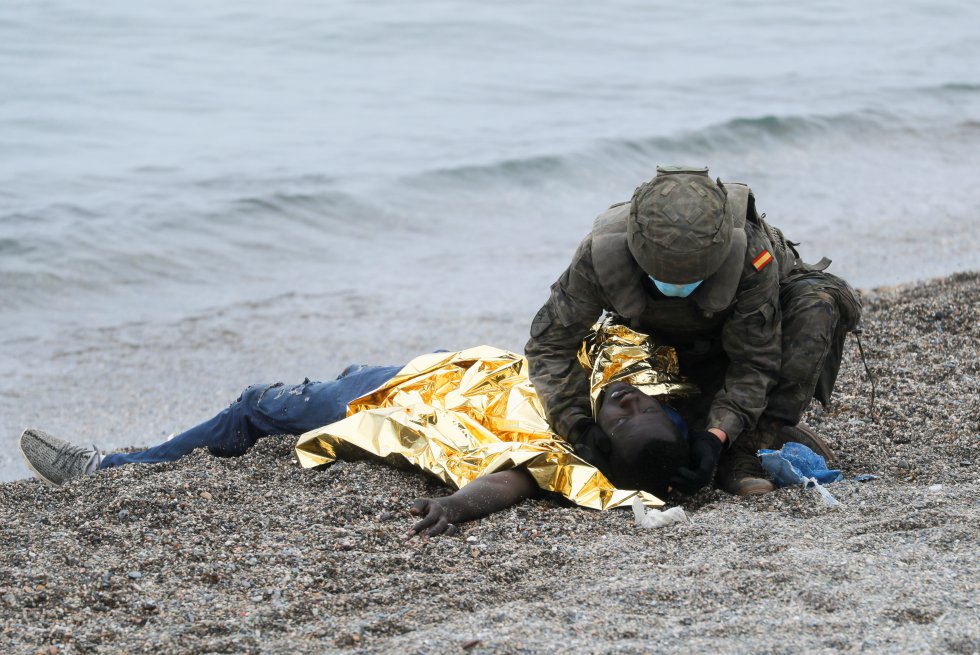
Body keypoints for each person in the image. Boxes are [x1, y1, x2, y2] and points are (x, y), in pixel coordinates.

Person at [20, 337, 691, 537]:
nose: (626, 401)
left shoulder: (562, 454)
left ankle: (110, 467)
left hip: (410, 401)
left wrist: (453, 508)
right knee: (334, 379)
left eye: (622, 417)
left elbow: (509, 481)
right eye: (640, 406)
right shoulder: (671, 403)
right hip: (439, 369)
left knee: (258, 406)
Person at [525, 165, 862, 496]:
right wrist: (578, 426)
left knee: (817, 305)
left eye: (689, 278)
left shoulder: (750, 254)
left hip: (747, 337)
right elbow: (550, 345)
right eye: (668, 275)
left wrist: (717, 437)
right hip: (659, 347)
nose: (679, 284)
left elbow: (756, 362)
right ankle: (702, 417)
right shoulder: (599, 254)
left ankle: (750, 448)